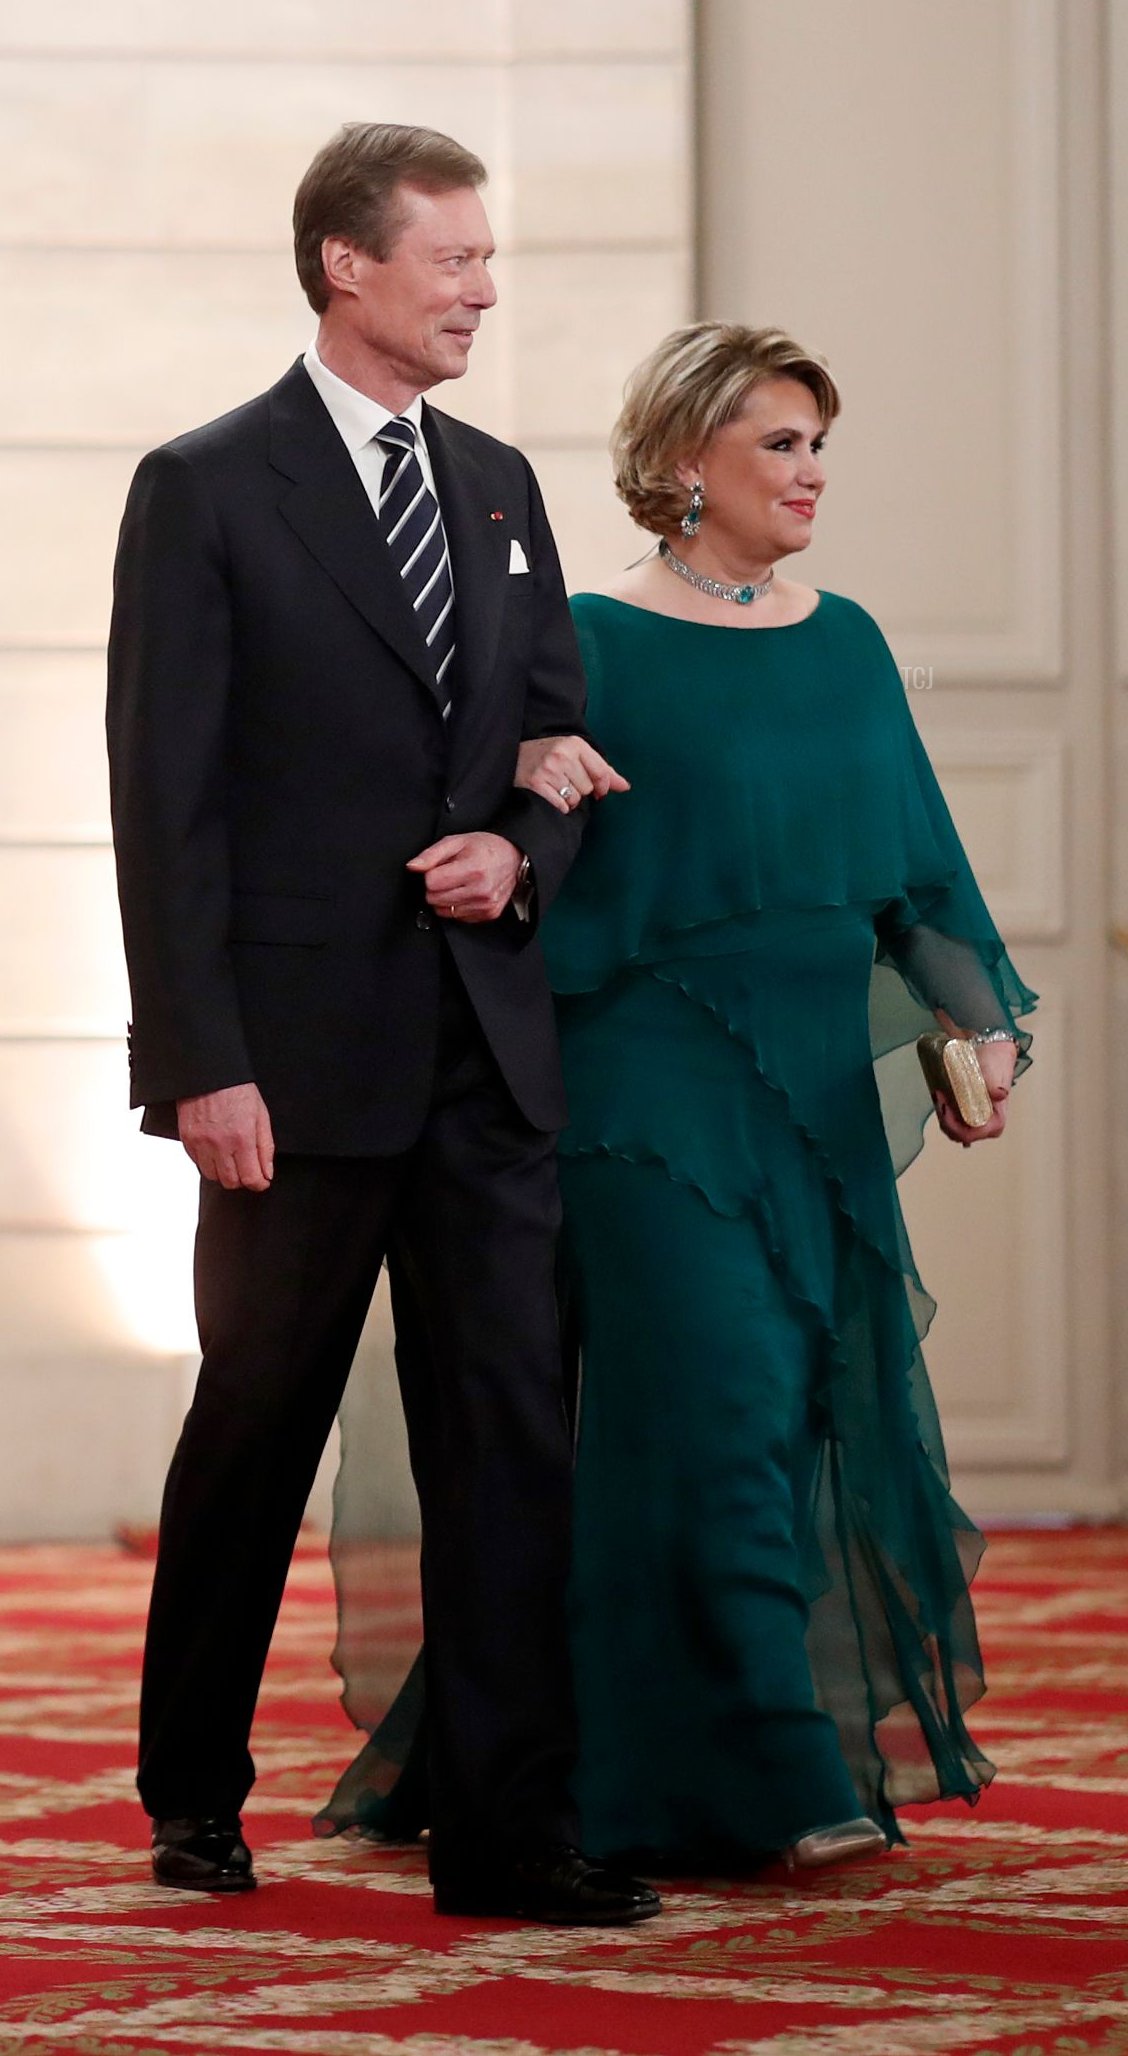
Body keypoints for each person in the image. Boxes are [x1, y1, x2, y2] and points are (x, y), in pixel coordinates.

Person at [318, 322, 1036, 1870]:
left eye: (817, 441)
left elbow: (920, 872)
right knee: (706, 1413)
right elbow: (520, 837)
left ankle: (569, 1744)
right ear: (685, 457)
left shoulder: (844, 639)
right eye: (778, 442)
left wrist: (986, 1033)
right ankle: (772, 1774)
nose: (811, 471)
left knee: (774, 1420)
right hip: (642, 1088)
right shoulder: (588, 637)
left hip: (813, 1094)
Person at [105, 119, 657, 1927]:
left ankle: (510, 1837)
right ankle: (193, 1788)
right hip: (290, 1071)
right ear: (348, 264)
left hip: (484, 1058)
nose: (484, 290)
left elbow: (559, 753)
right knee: (257, 1424)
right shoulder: (205, 487)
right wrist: (200, 1065)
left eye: (488, 261)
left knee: (510, 1436)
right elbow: (161, 802)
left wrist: (520, 845)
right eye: (455, 260)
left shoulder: (499, 485)